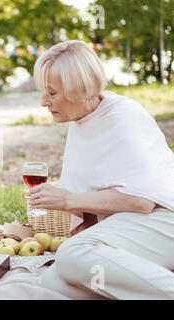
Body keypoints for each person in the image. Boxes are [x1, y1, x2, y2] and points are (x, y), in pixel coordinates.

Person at [28, 40, 174, 299]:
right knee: (53, 281)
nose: (43, 102)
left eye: (51, 93)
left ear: (78, 89)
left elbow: (142, 201)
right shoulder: (81, 119)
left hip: (165, 219)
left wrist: (67, 199)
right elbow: (93, 198)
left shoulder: (122, 117)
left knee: (74, 254)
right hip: (134, 223)